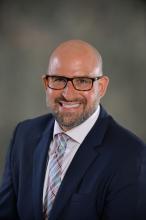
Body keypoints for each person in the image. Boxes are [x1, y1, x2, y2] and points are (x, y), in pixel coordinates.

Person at [0, 39, 146, 220]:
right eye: (59, 80)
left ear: (101, 87)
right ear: (46, 83)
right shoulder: (24, 136)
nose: (68, 94)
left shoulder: (130, 155)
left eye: (83, 81)